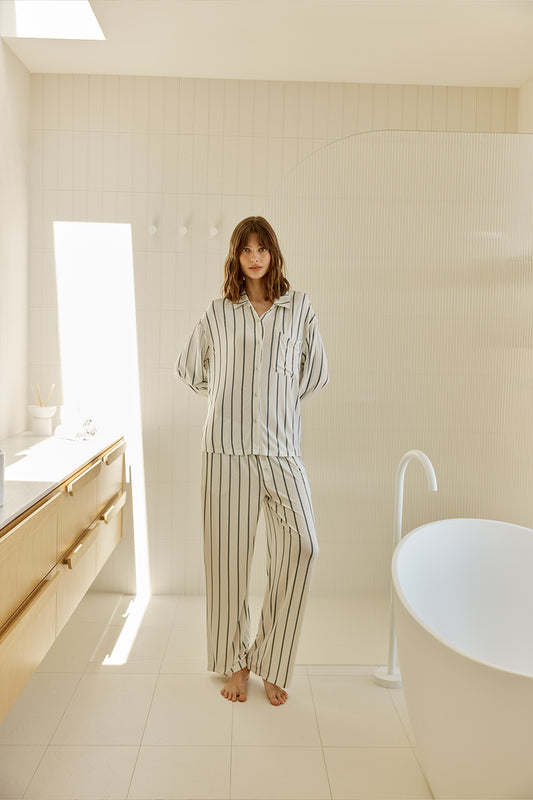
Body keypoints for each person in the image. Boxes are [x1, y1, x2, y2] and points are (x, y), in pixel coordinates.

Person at [175, 216, 328, 705]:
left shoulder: (298, 309)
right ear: (237, 258)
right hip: (226, 452)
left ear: (273, 253)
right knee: (227, 564)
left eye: (262, 248)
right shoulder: (218, 313)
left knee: (303, 545)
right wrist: (229, 401)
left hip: (282, 451)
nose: (255, 256)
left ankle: (273, 658)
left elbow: (315, 374)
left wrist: (276, 406)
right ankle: (236, 663)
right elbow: (190, 369)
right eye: (246, 249)